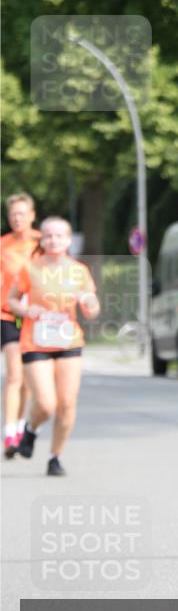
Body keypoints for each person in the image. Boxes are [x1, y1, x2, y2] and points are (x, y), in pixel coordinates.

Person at [8, 216, 100, 476]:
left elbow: (93, 310)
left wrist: (87, 300)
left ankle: (55, 457)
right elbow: (12, 300)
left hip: (68, 340)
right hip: (35, 341)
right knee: (46, 404)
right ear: (42, 240)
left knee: (67, 403)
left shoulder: (79, 270)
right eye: (48, 235)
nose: (54, 240)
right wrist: (27, 309)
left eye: (60, 236)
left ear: (69, 240)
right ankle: (31, 429)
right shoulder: (29, 268)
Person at [1, 192, 41, 457]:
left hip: (36, 317)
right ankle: (9, 433)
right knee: (15, 374)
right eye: (13, 214)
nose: (17, 218)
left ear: (32, 215)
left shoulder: (43, 243)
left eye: (22, 213)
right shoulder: (2, 245)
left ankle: (19, 424)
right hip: (7, 314)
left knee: (27, 379)